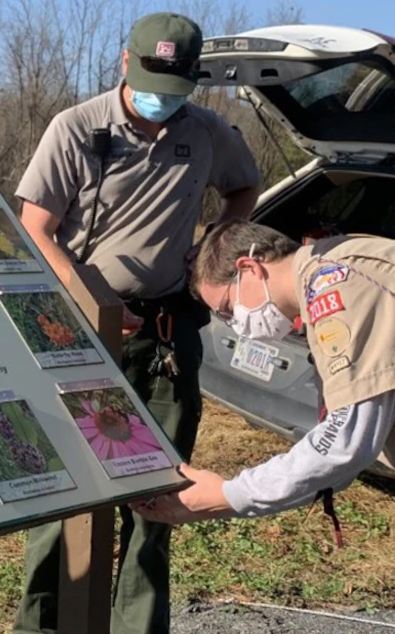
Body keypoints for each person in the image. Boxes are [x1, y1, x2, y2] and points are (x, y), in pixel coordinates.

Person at [10, 12, 262, 634]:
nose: (160, 98)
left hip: (166, 335)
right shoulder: (77, 129)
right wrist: (92, 298)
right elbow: (34, 226)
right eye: (150, 79)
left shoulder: (206, 133)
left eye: (175, 86)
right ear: (126, 64)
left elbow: (244, 187)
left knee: (158, 494)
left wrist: (214, 245)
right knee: (65, 488)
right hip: (81, 334)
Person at [134, 220, 395, 526]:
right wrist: (233, 500)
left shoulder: (334, 286)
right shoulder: (331, 267)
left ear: (250, 268)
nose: (236, 324)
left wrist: (230, 495)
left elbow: (345, 443)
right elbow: (342, 457)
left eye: (228, 308)